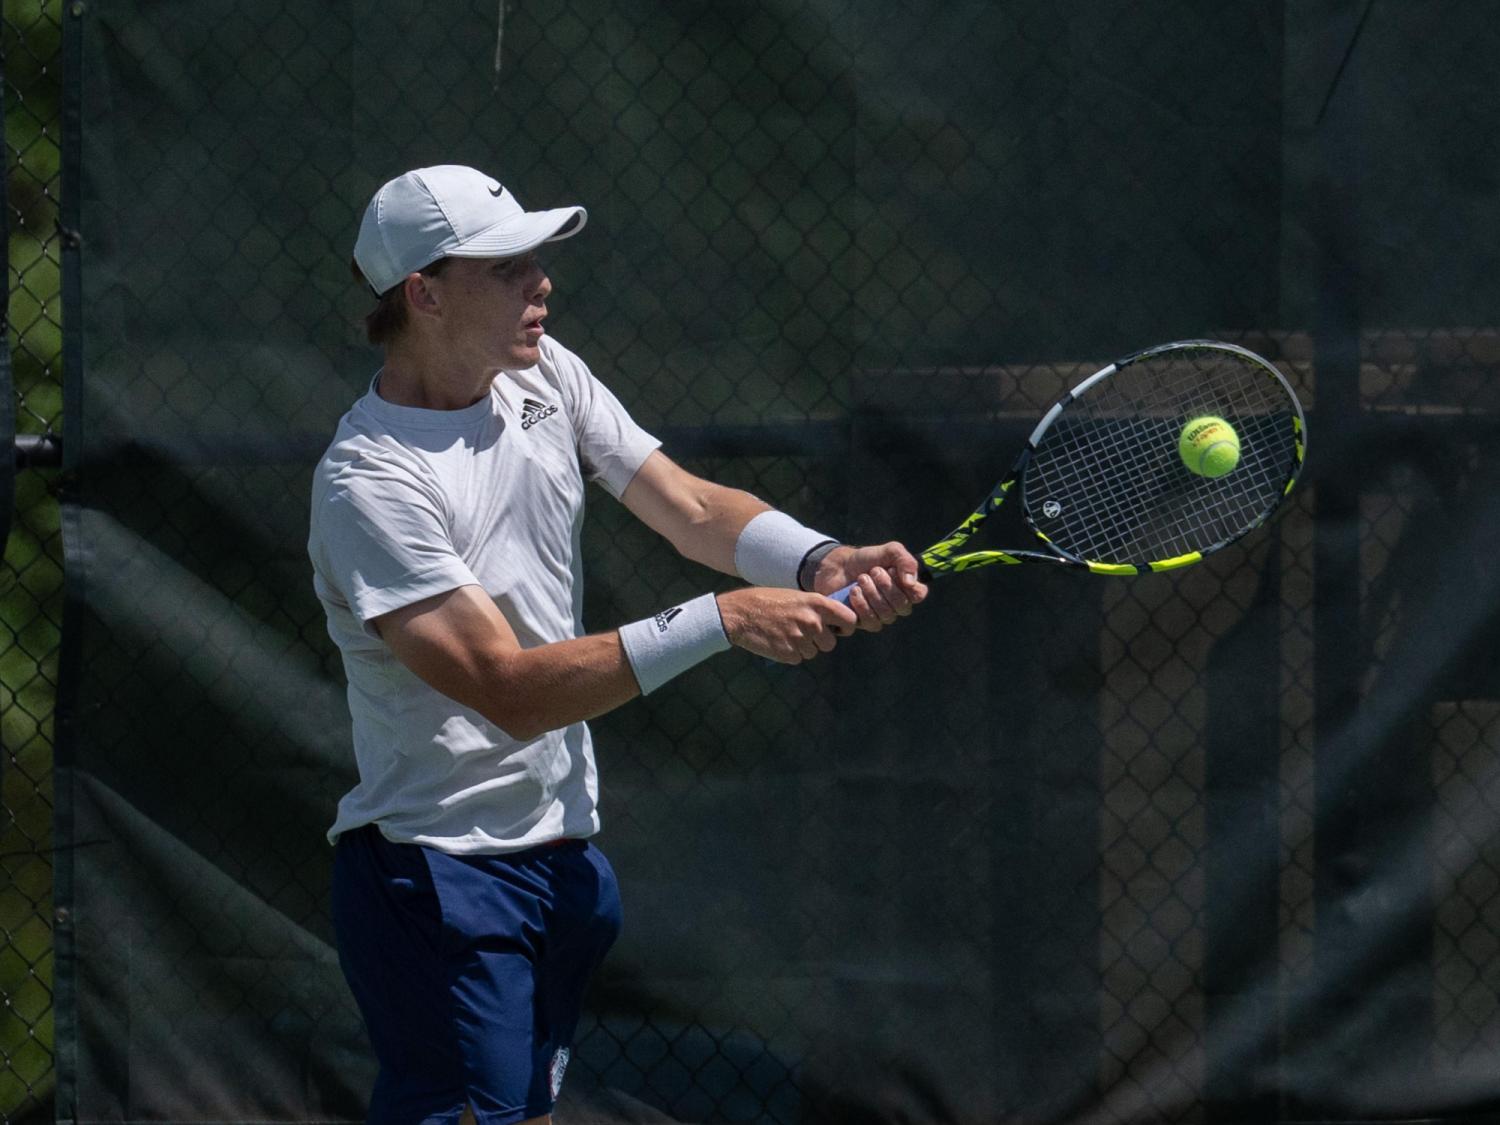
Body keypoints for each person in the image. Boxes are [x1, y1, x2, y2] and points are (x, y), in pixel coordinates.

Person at [308, 164, 927, 1125]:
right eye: (509, 266)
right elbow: (506, 688)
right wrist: (721, 618)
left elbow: (689, 506)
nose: (541, 283)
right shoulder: (370, 484)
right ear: (424, 294)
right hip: (439, 873)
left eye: (538, 261)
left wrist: (817, 559)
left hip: (559, 853)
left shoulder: (545, 374)